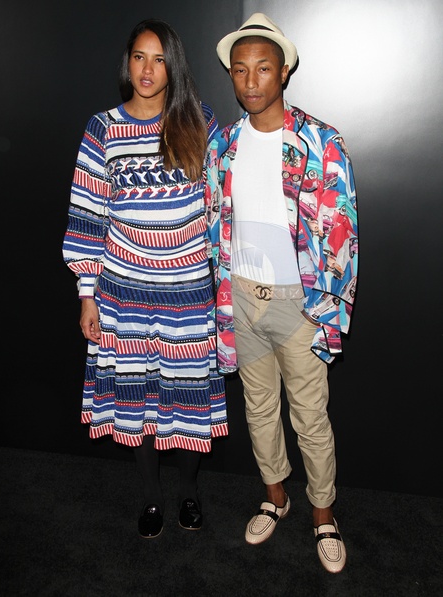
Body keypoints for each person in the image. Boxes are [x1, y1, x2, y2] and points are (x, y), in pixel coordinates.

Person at [63, 18, 228, 539]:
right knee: (137, 399)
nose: (148, 69)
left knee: (187, 399)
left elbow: (224, 204)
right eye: (139, 57)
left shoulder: (200, 121)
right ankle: (152, 498)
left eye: (159, 59)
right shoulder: (102, 129)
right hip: (123, 294)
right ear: (127, 63)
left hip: (188, 294)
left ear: (172, 67)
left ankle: (189, 492)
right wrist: (87, 295)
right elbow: (88, 215)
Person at [206, 13, 358, 573]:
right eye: (240, 70)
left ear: (284, 71)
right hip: (241, 298)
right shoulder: (223, 144)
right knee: (259, 408)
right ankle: (275, 498)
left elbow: (342, 230)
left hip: (300, 302)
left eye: (263, 68)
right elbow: (214, 222)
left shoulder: (320, 142)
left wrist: (327, 308)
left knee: (310, 417)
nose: (251, 81)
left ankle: (324, 515)